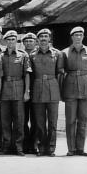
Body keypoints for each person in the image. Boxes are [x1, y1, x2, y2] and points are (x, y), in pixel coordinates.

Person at [62, 26, 87, 157]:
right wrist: (62, 90)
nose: (78, 37)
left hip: (86, 87)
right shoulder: (65, 52)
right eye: (75, 35)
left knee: (84, 119)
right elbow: (61, 73)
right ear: (71, 37)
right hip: (70, 88)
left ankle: (80, 148)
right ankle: (71, 149)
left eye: (80, 35)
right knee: (70, 120)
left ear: (83, 37)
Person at [29, 29, 64, 157]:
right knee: (39, 121)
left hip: (53, 88)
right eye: (41, 37)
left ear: (49, 39)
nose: (43, 38)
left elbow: (60, 74)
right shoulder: (32, 55)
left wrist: (59, 91)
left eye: (46, 36)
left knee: (53, 122)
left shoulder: (57, 54)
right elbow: (31, 75)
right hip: (37, 88)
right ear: (37, 40)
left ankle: (51, 148)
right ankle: (41, 147)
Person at [0, 30, 32, 155]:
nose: (10, 42)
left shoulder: (23, 55)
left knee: (19, 120)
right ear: (5, 41)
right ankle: (6, 146)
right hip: (4, 90)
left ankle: (19, 147)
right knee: (5, 120)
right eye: (8, 39)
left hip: (18, 89)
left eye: (13, 39)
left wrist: (27, 91)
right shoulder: (0, 56)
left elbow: (27, 75)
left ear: (16, 41)